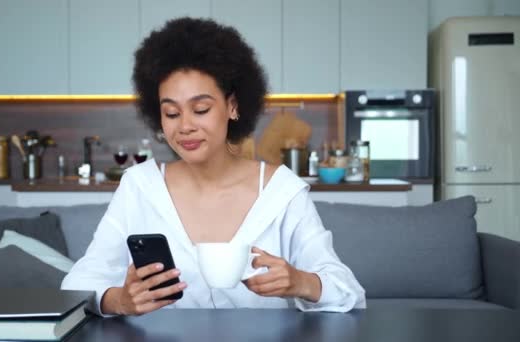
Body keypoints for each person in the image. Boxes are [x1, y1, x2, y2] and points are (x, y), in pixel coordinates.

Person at [61, 17, 366, 315]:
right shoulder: (140, 186)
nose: (185, 126)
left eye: (201, 109)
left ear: (232, 106)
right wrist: (119, 300)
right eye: (171, 113)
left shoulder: (281, 191)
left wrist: (302, 282)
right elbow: (78, 283)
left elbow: (349, 292)